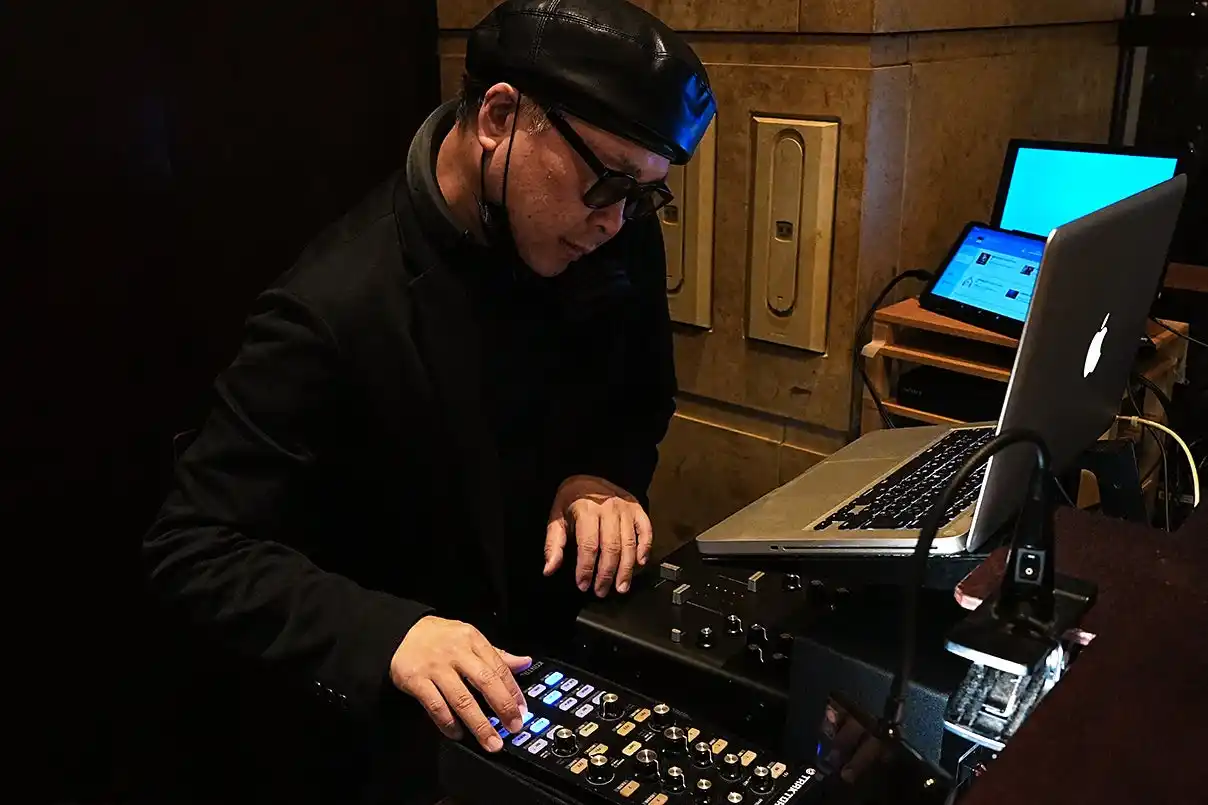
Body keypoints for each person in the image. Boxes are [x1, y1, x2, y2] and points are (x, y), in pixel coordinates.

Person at [140, 0, 716, 802]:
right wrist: (389, 633)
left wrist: (601, 473)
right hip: (399, 734)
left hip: (557, 676)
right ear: (500, 118)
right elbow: (195, 544)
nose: (616, 220)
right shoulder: (334, 306)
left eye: (646, 194)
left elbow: (640, 395)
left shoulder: (613, 228)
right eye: (608, 181)